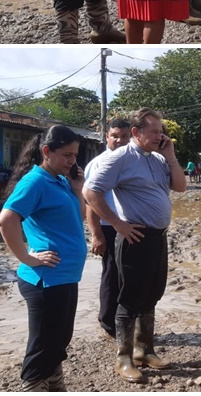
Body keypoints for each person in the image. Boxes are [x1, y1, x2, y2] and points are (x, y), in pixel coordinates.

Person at [83, 108, 187, 384]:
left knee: (152, 294)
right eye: (154, 131)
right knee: (129, 298)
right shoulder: (120, 158)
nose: (160, 135)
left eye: (161, 131)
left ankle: (145, 350)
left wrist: (171, 157)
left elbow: (180, 187)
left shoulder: (157, 158)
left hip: (158, 237)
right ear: (136, 133)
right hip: (134, 238)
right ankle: (124, 358)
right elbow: (90, 192)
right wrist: (117, 224)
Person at [0, 125, 87, 391]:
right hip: (45, 279)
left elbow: (78, 218)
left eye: (75, 156)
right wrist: (26, 257)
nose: (72, 161)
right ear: (47, 151)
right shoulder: (34, 182)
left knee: (59, 341)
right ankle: (34, 386)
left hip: (65, 276)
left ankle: (55, 385)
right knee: (43, 346)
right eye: (67, 155)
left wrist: (77, 188)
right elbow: (6, 220)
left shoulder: (60, 180)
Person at [85, 118, 132, 338]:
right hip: (109, 227)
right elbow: (91, 202)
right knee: (112, 275)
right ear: (107, 137)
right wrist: (96, 235)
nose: (120, 141)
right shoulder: (99, 164)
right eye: (115, 136)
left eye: (124, 136)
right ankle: (108, 324)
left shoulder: (133, 161)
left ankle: (127, 320)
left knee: (130, 276)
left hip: (132, 226)